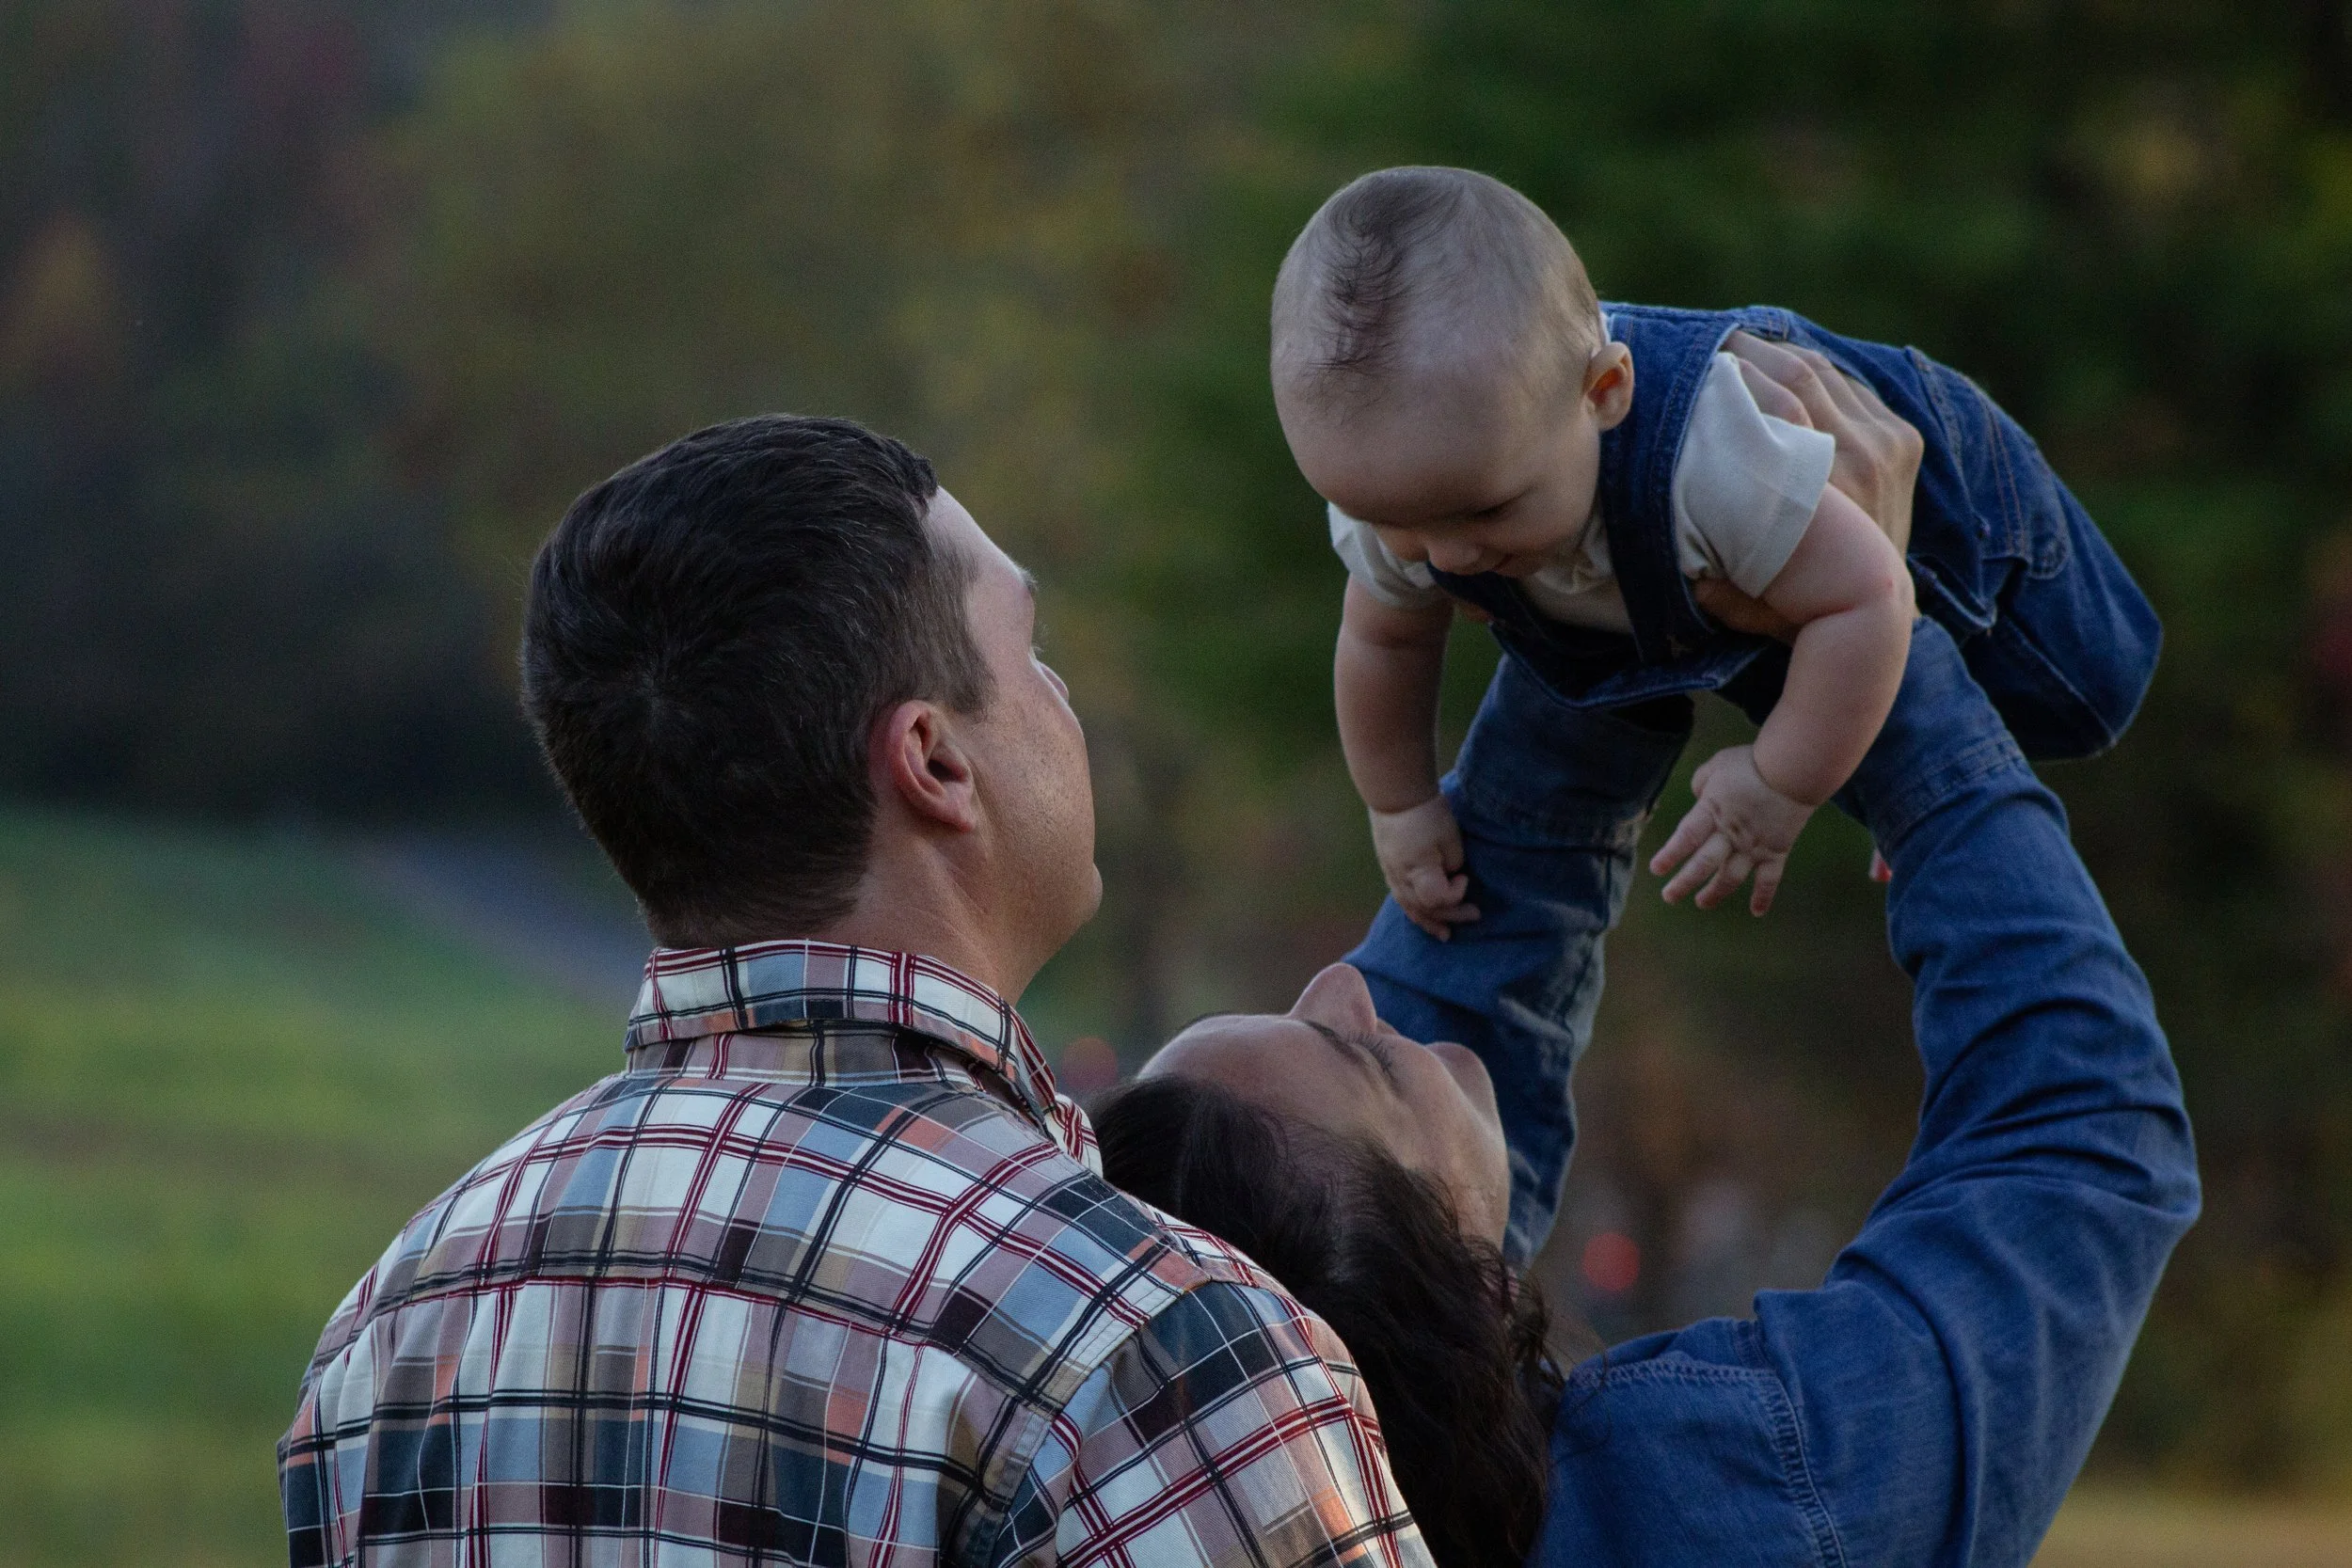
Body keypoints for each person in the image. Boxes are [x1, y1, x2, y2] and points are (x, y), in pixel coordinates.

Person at [1096, 345, 2201, 1566]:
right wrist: (1878, 653)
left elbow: (1460, 982)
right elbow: (2080, 1151)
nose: (1354, 979)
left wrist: (1611, 568)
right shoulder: (1719, 1497)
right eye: (1357, 1057)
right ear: (1459, 1293)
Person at [277, 418, 1434, 1568]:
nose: (1060, 690)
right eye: (1030, 647)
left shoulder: (392, 1333)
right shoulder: (1147, 1345)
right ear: (933, 760)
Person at [1270, 166, 2160, 927]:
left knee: (2084, 692)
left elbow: (1870, 599)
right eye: (1402, 523)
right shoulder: (1409, 481)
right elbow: (1383, 641)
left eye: (1488, 511)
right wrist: (1400, 802)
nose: (1449, 556)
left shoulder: (1718, 460)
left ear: (1607, 393)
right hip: (1694, 560)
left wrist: (1781, 785)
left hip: (1936, 497)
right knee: (1797, 675)